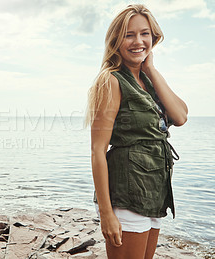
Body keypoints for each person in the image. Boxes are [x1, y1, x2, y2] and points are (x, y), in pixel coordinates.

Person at [85, 4, 188, 259]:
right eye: (129, 35)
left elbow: (181, 116)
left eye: (145, 34)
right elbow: (98, 150)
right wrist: (107, 214)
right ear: (116, 40)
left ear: (154, 37)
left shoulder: (148, 80)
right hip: (127, 194)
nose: (138, 41)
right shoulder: (111, 80)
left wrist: (151, 68)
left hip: (153, 192)